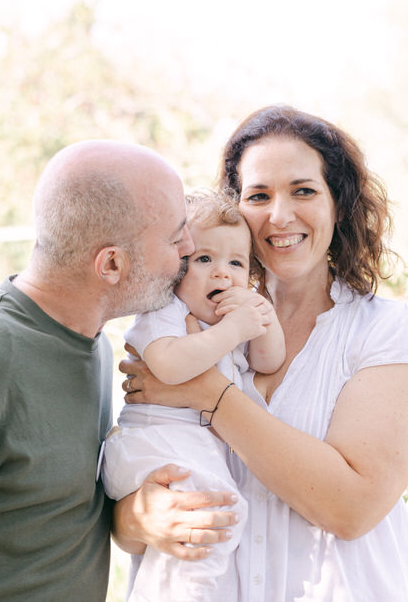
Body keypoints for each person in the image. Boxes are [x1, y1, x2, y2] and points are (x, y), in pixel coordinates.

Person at [0, 140, 239, 602]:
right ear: (112, 263)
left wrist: (139, 515)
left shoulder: (95, 346)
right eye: (175, 239)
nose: (189, 248)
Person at [115, 105, 408, 601]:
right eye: (259, 196)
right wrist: (136, 518)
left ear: (339, 204)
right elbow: (135, 495)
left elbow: (352, 508)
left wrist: (208, 393)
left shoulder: (388, 330)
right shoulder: (185, 325)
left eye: (303, 191)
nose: (279, 215)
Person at [102, 188, 285, 601]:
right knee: (211, 513)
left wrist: (262, 317)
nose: (222, 274)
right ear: (175, 267)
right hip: (155, 443)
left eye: (236, 263)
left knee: (201, 523)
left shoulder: (227, 318)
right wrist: (233, 330)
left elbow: (270, 359)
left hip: (186, 448)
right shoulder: (164, 311)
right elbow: (169, 366)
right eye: (204, 260)